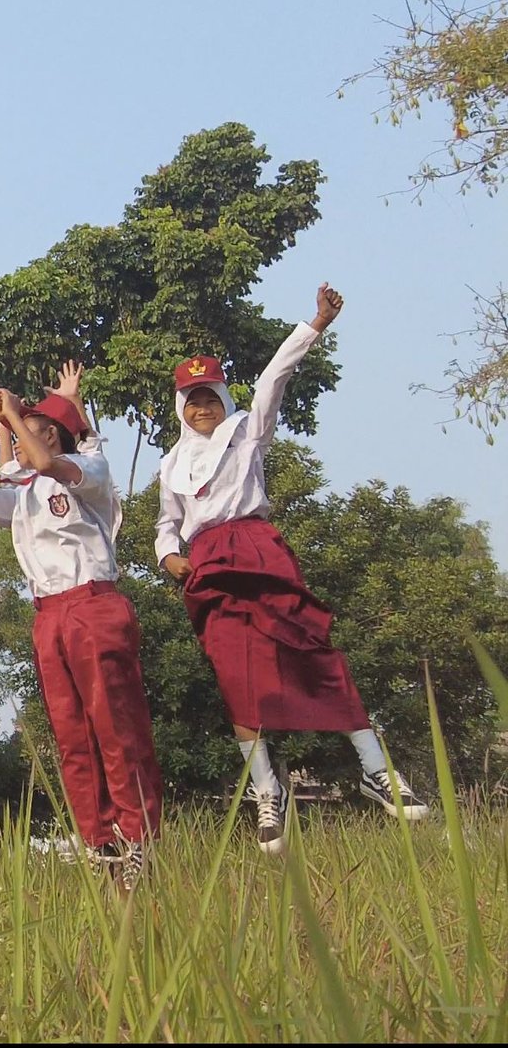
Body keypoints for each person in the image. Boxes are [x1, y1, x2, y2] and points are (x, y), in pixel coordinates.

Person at [155, 284, 429, 854]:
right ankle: (266, 792)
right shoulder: (172, 464)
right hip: (207, 566)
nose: (201, 408)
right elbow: (166, 524)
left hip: (257, 550)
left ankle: (377, 773)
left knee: (313, 651)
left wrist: (315, 325)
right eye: (191, 400)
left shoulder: (246, 432)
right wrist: (169, 558)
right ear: (180, 407)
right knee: (236, 677)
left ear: (223, 398)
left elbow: (273, 378)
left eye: (209, 396)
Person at [0, 386, 162, 891]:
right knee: (71, 735)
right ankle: (100, 842)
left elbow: (50, 461)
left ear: (53, 434)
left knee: (115, 727)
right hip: (48, 615)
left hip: (93, 604)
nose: (21, 436)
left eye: (33, 427)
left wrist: (13, 414)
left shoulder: (86, 472)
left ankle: (139, 837)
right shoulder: (26, 490)